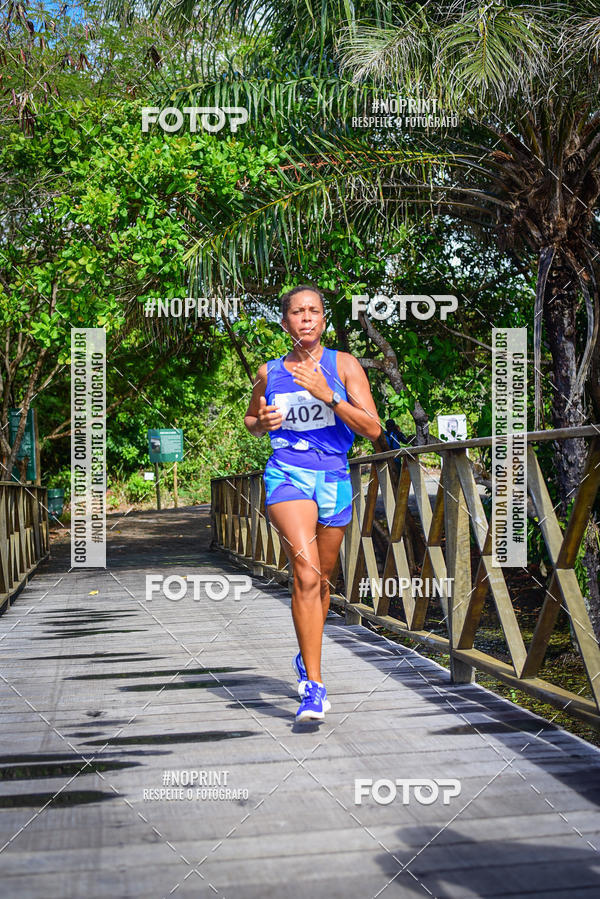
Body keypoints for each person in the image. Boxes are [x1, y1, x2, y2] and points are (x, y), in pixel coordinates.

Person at [244, 285, 381, 722]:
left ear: (323, 321)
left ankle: (306, 656)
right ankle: (315, 688)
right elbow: (251, 419)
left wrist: (330, 395)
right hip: (287, 472)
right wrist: (260, 422)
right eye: (297, 312)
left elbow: (373, 430)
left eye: (314, 311)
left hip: (335, 476)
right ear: (285, 323)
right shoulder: (269, 372)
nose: (306, 318)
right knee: (303, 571)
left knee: (321, 580)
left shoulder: (344, 365)